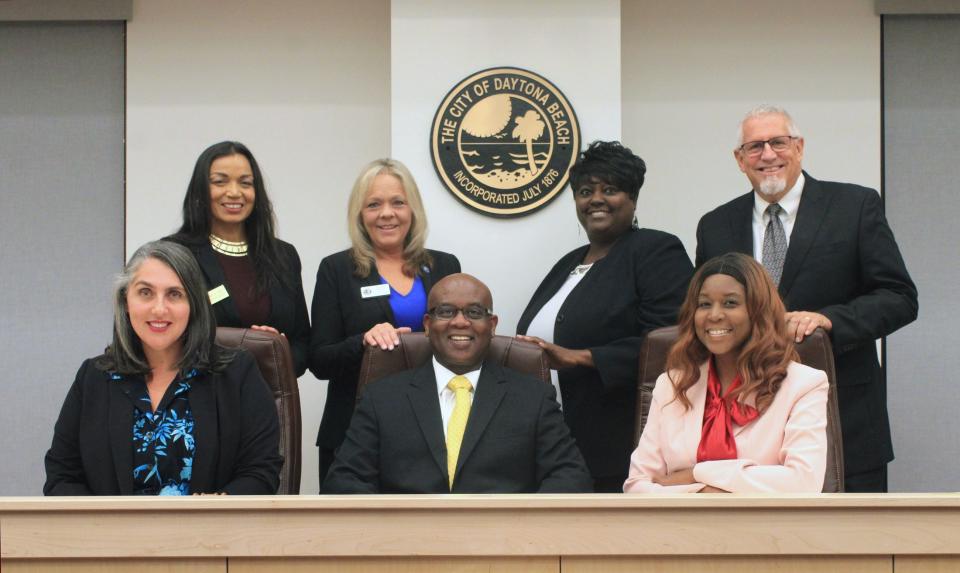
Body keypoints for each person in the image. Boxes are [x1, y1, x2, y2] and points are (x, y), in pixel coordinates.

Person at [695, 105, 918, 492]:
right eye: (754, 146)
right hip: (746, 426)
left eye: (778, 142)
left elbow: (899, 298)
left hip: (844, 418)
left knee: (851, 546)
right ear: (739, 159)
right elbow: (707, 313)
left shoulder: (854, 206)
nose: (767, 155)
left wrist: (830, 320)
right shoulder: (715, 225)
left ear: (798, 147)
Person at [516, 141, 693, 492]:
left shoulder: (655, 251)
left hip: (616, 441)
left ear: (633, 198)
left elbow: (670, 341)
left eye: (609, 189)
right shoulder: (569, 264)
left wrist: (580, 357)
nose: (595, 199)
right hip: (555, 441)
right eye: (585, 191)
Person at [44, 241, 282, 495]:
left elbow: (261, 471)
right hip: (112, 533)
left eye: (174, 294)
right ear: (126, 300)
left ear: (194, 304)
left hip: (208, 532)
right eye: (145, 292)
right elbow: (62, 477)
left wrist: (216, 509)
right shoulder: (94, 378)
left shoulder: (237, 373)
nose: (159, 309)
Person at [323, 274, 592, 493]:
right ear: (427, 325)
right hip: (407, 549)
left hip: (503, 548)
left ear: (492, 324)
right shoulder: (382, 399)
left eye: (474, 312)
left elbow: (570, 478)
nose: (460, 322)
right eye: (446, 311)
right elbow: (344, 482)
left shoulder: (533, 397)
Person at [309, 158, 460, 485]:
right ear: (360, 215)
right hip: (354, 428)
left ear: (413, 209)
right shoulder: (336, 270)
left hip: (434, 426)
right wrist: (363, 340)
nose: (386, 213)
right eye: (374, 204)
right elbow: (319, 360)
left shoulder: (445, 265)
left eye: (397, 203)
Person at [624, 253, 828, 493]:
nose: (714, 315)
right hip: (680, 528)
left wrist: (696, 474)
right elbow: (637, 487)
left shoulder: (803, 384)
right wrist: (707, 493)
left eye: (730, 303)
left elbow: (803, 484)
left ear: (758, 311)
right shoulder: (671, 384)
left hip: (769, 529)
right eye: (704, 304)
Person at [168, 141, 310, 376]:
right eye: (220, 181)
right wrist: (247, 348)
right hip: (198, 396)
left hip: (267, 401)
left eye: (245, 183)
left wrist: (277, 350)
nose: (234, 192)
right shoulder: (174, 254)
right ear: (200, 190)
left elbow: (303, 344)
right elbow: (166, 339)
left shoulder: (284, 255)